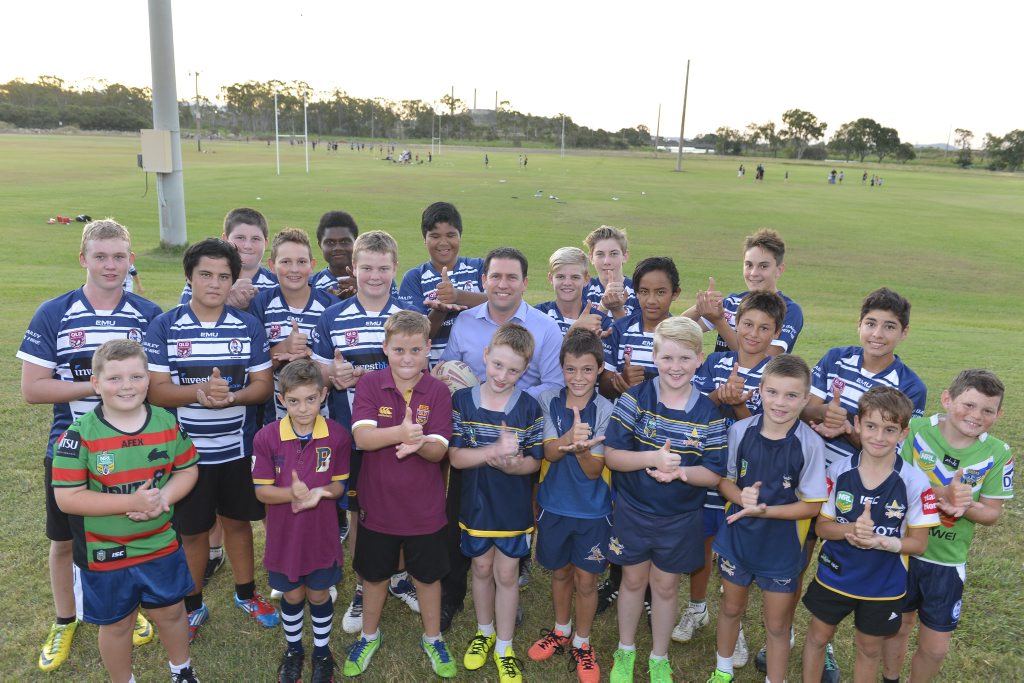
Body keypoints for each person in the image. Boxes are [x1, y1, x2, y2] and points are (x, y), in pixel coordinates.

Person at [19, 218, 163, 672]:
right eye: (100, 256)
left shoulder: (148, 314)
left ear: (130, 260)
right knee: (64, 540)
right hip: (70, 448)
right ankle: (65, 619)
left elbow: (158, 385)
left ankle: (127, 609)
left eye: (119, 256)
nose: (110, 265)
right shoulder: (54, 312)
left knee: (126, 531)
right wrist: (96, 387)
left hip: (133, 450)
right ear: (83, 258)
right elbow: (33, 388)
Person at [144, 237, 277, 642]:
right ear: (189, 277)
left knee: (238, 523)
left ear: (233, 280)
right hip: (187, 456)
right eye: (205, 274)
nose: (214, 283)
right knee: (193, 531)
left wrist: (231, 397)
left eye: (223, 276)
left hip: (236, 451)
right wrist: (199, 392)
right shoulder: (166, 325)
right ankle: (193, 604)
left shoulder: (248, 326)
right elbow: (156, 391)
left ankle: (246, 593)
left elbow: (263, 386)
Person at [52, 339, 199, 683]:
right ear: (96, 383)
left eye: (136, 376)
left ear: (148, 379)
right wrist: (130, 503)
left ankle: (181, 670)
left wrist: (163, 499)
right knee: (117, 624)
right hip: (105, 551)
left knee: (171, 612)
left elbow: (187, 469)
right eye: (115, 378)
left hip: (159, 544)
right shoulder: (78, 436)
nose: (127, 386)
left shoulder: (166, 423)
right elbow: (68, 498)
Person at [603, 317, 728, 683]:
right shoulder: (635, 399)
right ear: (655, 357)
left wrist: (680, 473)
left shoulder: (709, 413)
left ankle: (659, 657)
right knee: (632, 581)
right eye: (668, 357)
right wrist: (652, 458)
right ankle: (625, 649)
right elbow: (612, 456)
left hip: (680, 516)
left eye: (685, 358)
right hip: (633, 509)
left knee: (666, 585)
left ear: (700, 359)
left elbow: (714, 474)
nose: (676, 367)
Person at [310, 230, 419, 634]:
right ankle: (363, 584)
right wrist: (331, 374)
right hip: (353, 433)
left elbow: (424, 369)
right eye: (367, 267)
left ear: (395, 268)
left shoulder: (409, 315)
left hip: (403, 432)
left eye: (383, 268)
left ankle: (400, 576)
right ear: (353, 268)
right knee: (359, 512)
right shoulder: (333, 316)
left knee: (402, 506)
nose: (375, 276)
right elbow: (317, 370)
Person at [342, 311, 457, 679]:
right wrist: (402, 433)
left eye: (415, 350)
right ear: (385, 348)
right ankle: (369, 635)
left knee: (427, 577)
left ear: (428, 349)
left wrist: (419, 443)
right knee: (374, 576)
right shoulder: (370, 385)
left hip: (424, 509)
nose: (407, 358)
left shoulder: (438, 392)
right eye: (399, 350)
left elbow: (439, 451)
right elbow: (362, 438)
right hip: (378, 506)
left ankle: (433, 637)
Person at [881, 369, 1014, 683]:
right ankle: (890, 678)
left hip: (946, 560)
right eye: (968, 405)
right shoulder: (914, 430)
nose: (976, 416)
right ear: (946, 399)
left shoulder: (998, 453)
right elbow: (888, 482)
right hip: (903, 551)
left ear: (998, 415)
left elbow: (992, 513)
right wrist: (941, 494)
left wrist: (966, 506)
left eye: (987, 410)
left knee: (936, 648)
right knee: (898, 626)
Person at [674, 291, 787, 654]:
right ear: (735, 323)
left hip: (748, 476)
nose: (753, 333)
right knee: (704, 541)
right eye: (747, 324)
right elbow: (693, 412)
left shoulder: (777, 375)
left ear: (777, 333)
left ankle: (733, 625)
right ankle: (697, 608)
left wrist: (738, 405)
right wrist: (717, 398)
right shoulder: (715, 363)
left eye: (764, 328)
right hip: (708, 466)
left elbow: (771, 434)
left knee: (736, 552)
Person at [801, 386, 939, 683]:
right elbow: (822, 527)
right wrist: (850, 529)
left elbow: (919, 544)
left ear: (903, 433)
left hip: (884, 583)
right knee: (817, 637)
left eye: (890, 430)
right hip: (835, 575)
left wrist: (882, 541)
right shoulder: (838, 472)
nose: (879, 437)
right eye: (871, 426)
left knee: (869, 648)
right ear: (858, 424)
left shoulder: (915, 482)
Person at [705, 355, 828, 683]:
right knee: (731, 609)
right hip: (738, 539)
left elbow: (812, 506)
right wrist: (740, 498)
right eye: (772, 392)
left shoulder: (811, 444)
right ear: (760, 390)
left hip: (781, 547)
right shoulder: (740, 431)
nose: (780, 403)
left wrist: (766, 510)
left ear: (806, 399)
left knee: (777, 625)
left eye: (791, 395)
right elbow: (724, 481)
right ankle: (723, 671)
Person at [450, 323, 545, 683]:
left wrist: (514, 465)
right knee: (480, 568)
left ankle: (505, 646)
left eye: (514, 370)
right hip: (476, 504)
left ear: (525, 370)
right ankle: (484, 631)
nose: (503, 376)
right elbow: (456, 458)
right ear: (486, 355)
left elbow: (534, 462)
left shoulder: (529, 408)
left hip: (511, 507)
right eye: (498, 365)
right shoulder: (462, 401)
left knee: (506, 573)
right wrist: (492, 452)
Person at [252, 359, 351, 683]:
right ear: (281, 399)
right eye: (294, 401)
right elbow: (262, 492)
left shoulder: (337, 436)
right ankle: (294, 650)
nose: (303, 408)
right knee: (293, 595)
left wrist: (320, 492)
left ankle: (322, 652)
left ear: (323, 395)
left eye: (310, 399)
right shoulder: (266, 437)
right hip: (285, 536)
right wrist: (291, 494)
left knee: (319, 594)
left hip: (321, 535)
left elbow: (339, 486)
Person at [529, 329, 613, 683]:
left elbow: (595, 471)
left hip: (593, 512)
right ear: (561, 368)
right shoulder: (548, 399)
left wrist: (581, 451)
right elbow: (549, 452)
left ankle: (582, 642)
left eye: (587, 370)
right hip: (554, 506)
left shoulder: (607, 409)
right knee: (560, 572)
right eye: (571, 369)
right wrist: (568, 439)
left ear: (600, 369)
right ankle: (561, 630)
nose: (578, 377)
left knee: (587, 580)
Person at [440, 246, 563, 399]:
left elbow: (555, 385)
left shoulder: (547, 328)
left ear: (524, 283)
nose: (503, 285)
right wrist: (438, 379)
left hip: (521, 413)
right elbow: (446, 368)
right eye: (496, 276)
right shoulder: (464, 320)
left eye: (511, 277)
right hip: (468, 411)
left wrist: (505, 399)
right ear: (484, 281)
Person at [252, 228, 335, 423]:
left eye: (301, 262)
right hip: (275, 419)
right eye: (286, 262)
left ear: (312, 265)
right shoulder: (261, 304)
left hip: (325, 418)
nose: (294, 269)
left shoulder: (331, 306)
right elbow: (253, 369)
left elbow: (339, 366)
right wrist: (284, 348)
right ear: (272, 265)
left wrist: (310, 357)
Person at [684, 228, 803, 356]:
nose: (754, 273)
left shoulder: (789, 310)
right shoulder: (731, 303)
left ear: (779, 269)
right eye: (749, 265)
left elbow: (765, 357)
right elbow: (679, 331)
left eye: (763, 266)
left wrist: (720, 322)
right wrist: (701, 306)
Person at [398, 201, 486, 365]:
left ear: (460, 236)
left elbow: (500, 304)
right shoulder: (414, 278)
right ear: (424, 239)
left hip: (482, 370)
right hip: (435, 372)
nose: (443, 242)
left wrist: (457, 296)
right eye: (435, 236)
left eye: (451, 235)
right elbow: (413, 337)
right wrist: (440, 311)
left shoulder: (479, 268)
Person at [598, 256, 680, 400]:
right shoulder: (619, 329)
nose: (651, 300)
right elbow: (603, 388)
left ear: (675, 293)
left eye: (660, 292)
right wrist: (621, 381)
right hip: (623, 413)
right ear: (636, 293)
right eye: (644, 291)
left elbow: (690, 388)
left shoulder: (682, 334)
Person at [179, 207, 278, 310]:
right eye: (240, 238)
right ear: (225, 239)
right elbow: (183, 317)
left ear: (265, 243)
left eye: (255, 239)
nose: (247, 246)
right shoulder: (202, 282)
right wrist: (225, 300)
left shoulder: (277, 285)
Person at [535, 247, 611, 338]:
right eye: (560, 277)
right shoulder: (537, 315)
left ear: (586, 280)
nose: (567, 283)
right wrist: (575, 329)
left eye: (575, 277)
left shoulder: (600, 322)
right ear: (551, 278)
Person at [581, 225, 637, 320]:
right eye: (600, 254)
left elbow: (636, 329)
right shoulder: (583, 291)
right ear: (591, 258)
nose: (607, 261)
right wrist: (603, 306)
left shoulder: (638, 291)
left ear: (625, 256)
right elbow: (583, 329)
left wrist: (617, 309)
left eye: (614, 254)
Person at [310, 210, 359, 300]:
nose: (338, 248)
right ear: (320, 245)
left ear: (356, 242)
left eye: (344, 241)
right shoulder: (310, 286)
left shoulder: (375, 280)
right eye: (330, 242)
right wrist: (330, 302)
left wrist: (363, 291)